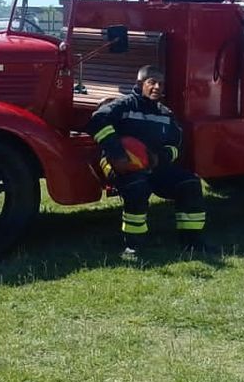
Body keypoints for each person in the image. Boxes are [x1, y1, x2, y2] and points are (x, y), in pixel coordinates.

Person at [87, 65, 211, 258]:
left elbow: (177, 146)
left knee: (190, 183)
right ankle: (133, 246)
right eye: (151, 82)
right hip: (120, 165)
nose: (157, 87)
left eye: (161, 84)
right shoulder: (124, 105)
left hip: (154, 167)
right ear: (139, 84)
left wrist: (160, 158)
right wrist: (118, 153)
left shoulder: (165, 114)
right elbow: (97, 121)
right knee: (137, 187)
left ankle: (192, 242)